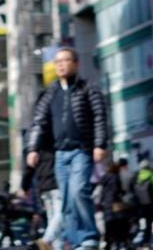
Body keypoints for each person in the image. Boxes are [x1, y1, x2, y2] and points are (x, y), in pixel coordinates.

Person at [24, 47, 108, 250]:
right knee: (67, 200)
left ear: (76, 63)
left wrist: (100, 144)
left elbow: (99, 116)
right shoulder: (50, 93)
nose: (61, 64)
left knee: (79, 191)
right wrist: (32, 148)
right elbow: (39, 121)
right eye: (57, 61)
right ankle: (76, 240)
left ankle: (89, 237)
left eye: (65, 60)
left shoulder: (88, 88)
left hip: (82, 150)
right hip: (60, 154)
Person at [21, 136, 61, 250]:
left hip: (43, 186)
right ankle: (45, 240)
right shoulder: (55, 140)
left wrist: (24, 186)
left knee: (52, 219)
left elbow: (28, 169)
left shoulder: (34, 145)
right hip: (55, 184)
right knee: (60, 213)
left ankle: (56, 247)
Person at [100, 162, 131, 250]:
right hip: (115, 205)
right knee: (119, 224)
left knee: (109, 225)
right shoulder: (115, 178)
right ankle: (122, 243)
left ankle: (109, 244)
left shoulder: (104, 179)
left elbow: (103, 193)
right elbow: (117, 190)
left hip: (106, 204)